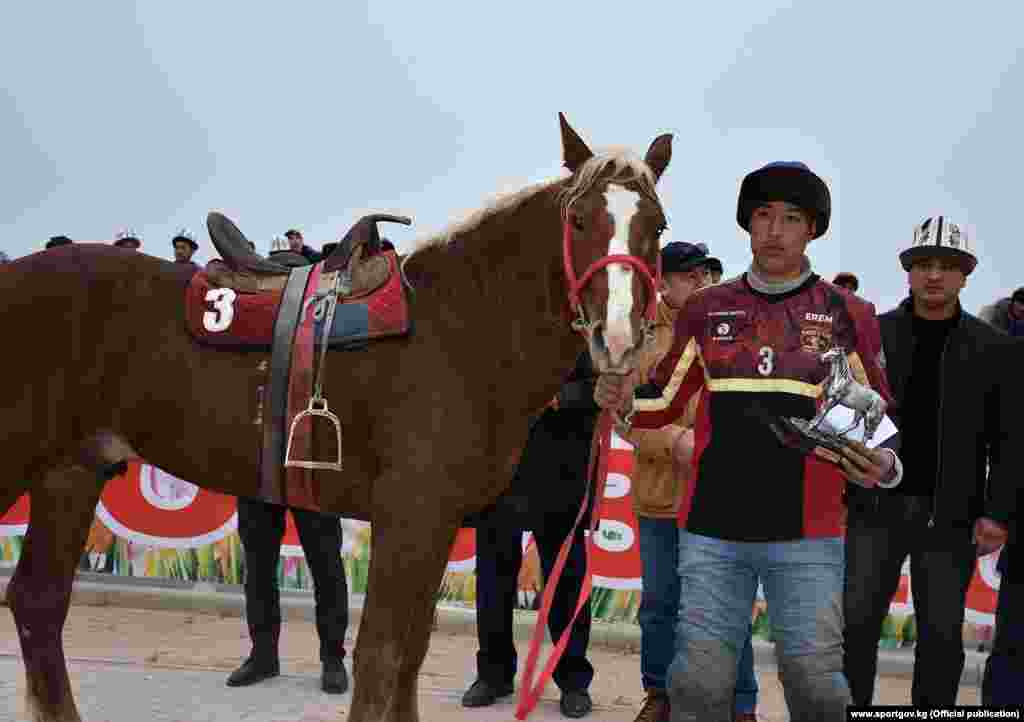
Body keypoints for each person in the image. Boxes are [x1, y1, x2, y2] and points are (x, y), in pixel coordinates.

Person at [594, 161, 900, 721]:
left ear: (813, 229)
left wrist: (883, 463)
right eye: (763, 215)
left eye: (791, 218)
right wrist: (615, 389)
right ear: (746, 223)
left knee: (814, 681)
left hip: (808, 533)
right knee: (700, 682)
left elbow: (878, 421)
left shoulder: (848, 313)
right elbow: (659, 403)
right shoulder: (706, 310)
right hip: (713, 531)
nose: (775, 230)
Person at [843, 216, 1015, 708]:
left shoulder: (994, 348)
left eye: (946, 266)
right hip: (873, 511)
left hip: (951, 516)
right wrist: (842, 496)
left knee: (940, 637)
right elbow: (847, 422)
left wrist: (997, 512)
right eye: (923, 265)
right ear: (909, 272)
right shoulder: (873, 337)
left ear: (966, 275)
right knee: (855, 626)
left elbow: (1008, 441)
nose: (934, 275)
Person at [622, 242, 758, 722]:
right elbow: (625, 414)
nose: (701, 282)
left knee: (728, 606)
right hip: (660, 497)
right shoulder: (638, 338)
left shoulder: (735, 328)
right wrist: (675, 441)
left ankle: (741, 705)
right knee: (660, 604)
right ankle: (659, 695)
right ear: (662, 281)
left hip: (721, 497)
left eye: (704, 273)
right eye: (688, 275)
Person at [227, 241, 350, 694]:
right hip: (257, 461)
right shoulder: (245, 331)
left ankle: (333, 658)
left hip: (311, 461)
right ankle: (264, 654)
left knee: (325, 564)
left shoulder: (329, 330)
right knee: (260, 565)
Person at [462, 351, 598, 718]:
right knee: (492, 578)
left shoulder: (582, 319)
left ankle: (573, 680)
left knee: (566, 581)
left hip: (562, 465)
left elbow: (604, 385)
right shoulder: (495, 313)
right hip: (498, 467)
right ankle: (493, 673)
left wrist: (557, 397)